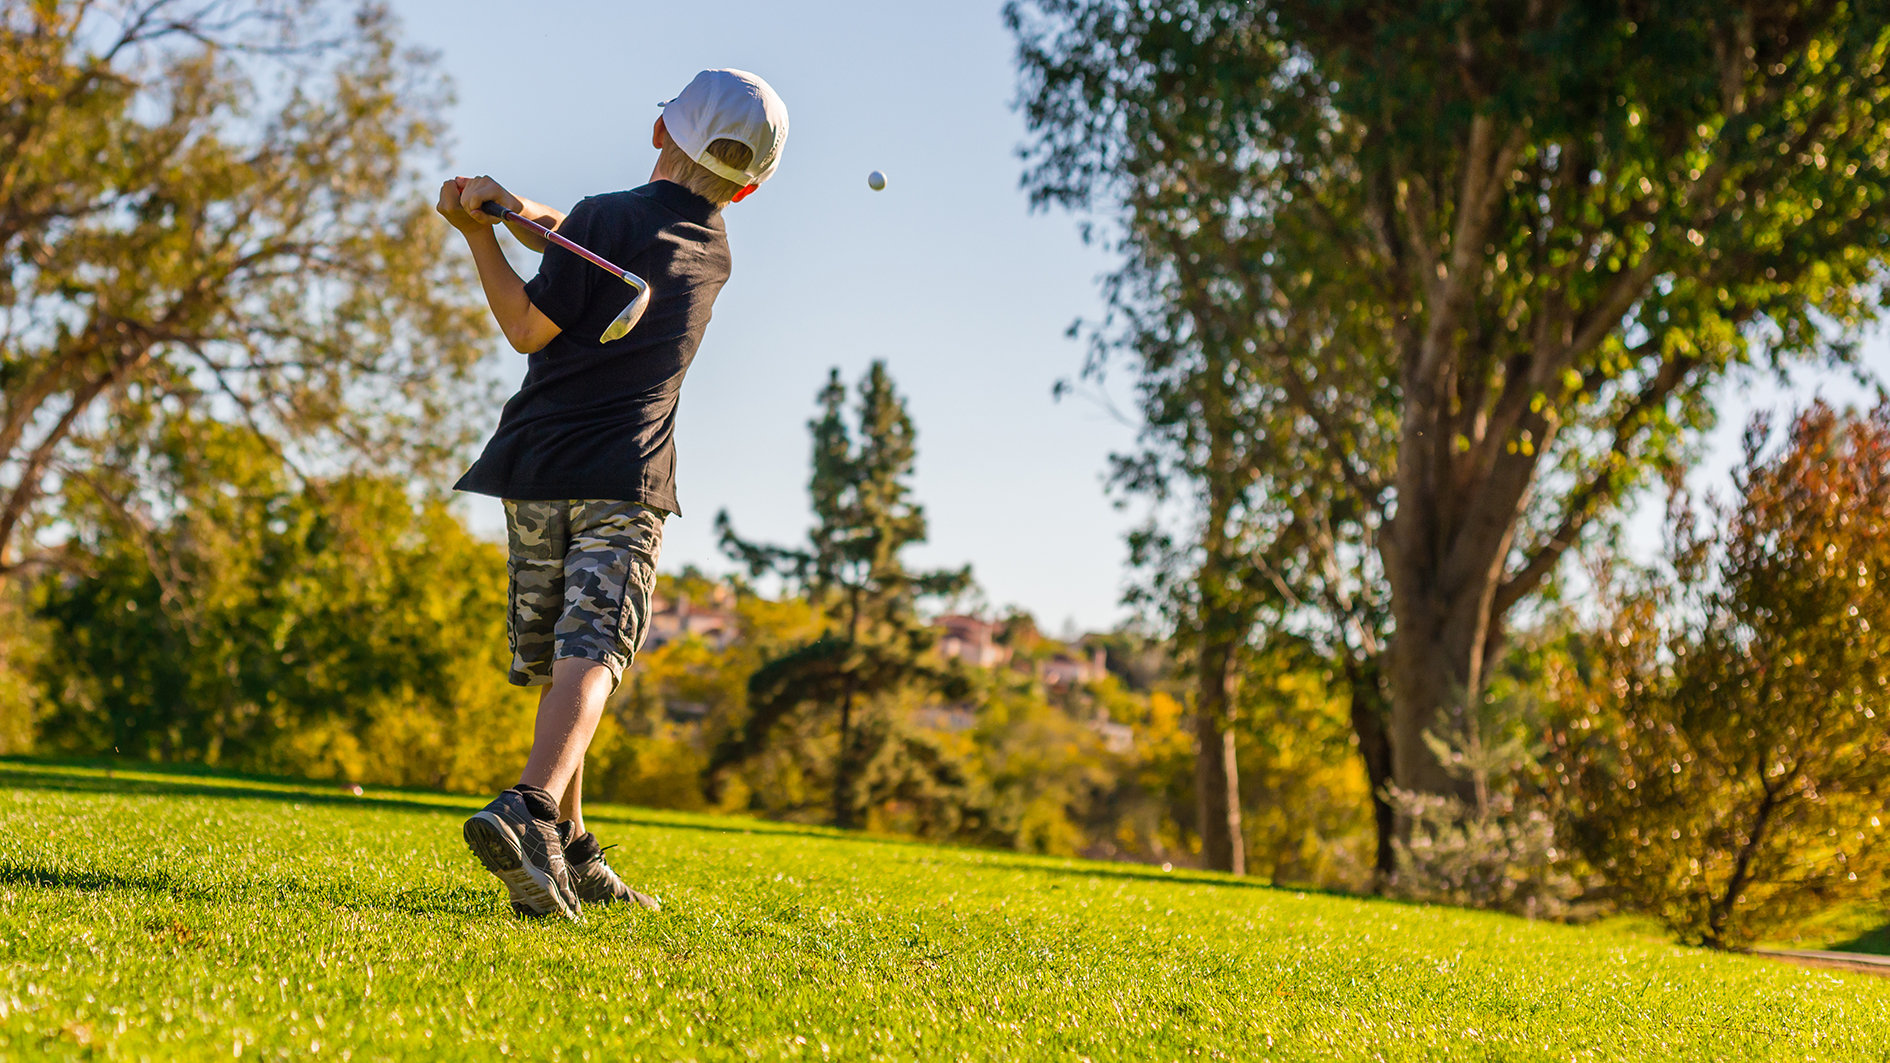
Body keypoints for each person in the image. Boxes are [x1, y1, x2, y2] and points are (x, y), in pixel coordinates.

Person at [433, 69, 788, 920]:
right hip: (624, 480)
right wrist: (517, 212)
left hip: (539, 466)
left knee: (566, 655)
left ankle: (555, 830)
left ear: (660, 133)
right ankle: (536, 810)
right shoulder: (713, 251)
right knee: (593, 651)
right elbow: (588, 243)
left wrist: (474, 233)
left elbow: (527, 326)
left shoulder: (605, 218)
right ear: (744, 187)